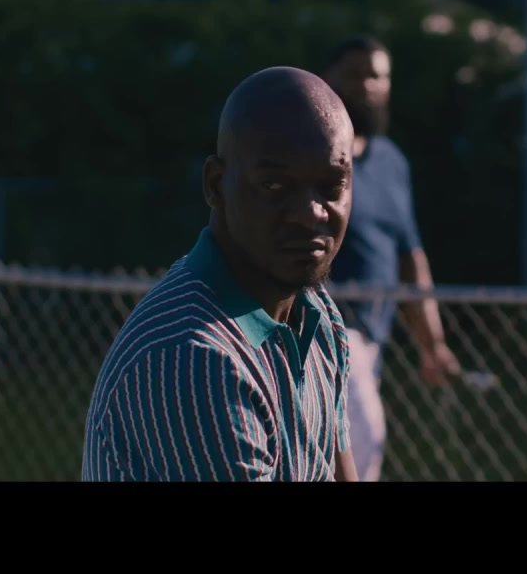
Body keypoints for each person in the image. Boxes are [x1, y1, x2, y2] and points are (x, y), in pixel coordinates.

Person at [81, 66, 359, 482]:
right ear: (215, 184)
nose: (310, 214)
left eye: (331, 186)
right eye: (275, 186)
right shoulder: (193, 357)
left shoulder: (316, 314)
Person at [321, 35, 461, 482]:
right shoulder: (311, 156)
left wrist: (432, 343)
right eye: (354, 74)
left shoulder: (391, 162)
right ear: (328, 80)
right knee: (366, 442)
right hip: (320, 332)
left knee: (336, 459)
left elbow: (410, 257)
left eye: (377, 76)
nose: (367, 85)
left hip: (371, 339)